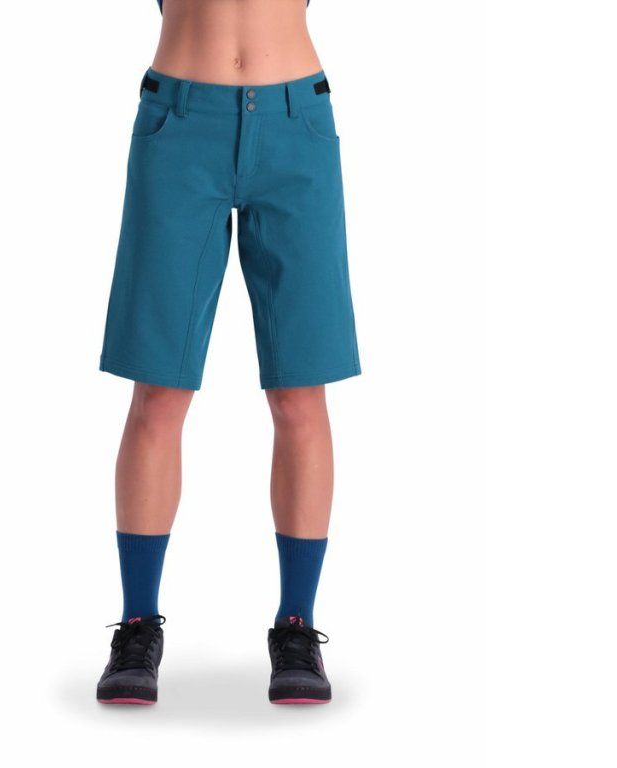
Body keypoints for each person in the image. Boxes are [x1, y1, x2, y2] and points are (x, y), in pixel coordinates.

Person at [96, 0, 359, 706]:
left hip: (296, 120)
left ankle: (296, 624)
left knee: (300, 392)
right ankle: (136, 625)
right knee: (158, 390)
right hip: (180, 120)